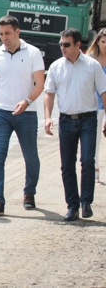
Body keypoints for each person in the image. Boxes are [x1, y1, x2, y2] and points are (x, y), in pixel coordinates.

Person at [0, 15, 45, 216]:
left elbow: (40, 84)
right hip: (1, 112)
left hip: (26, 113)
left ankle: (29, 193)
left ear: (18, 31)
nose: (4, 38)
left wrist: (26, 101)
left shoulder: (33, 53)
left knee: (31, 157)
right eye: (1, 34)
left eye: (8, 33)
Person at [45, 28, 106, 221]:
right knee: (67, 165)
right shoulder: (56, 67)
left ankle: (86, 201)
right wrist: (48, 117)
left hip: (88, 119)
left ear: (78, 45)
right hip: (65, 120)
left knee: (87, 160)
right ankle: (72, 205)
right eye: (61, 44)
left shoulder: (92, 66)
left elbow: (104, 92)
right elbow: (49, 93)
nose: (63, 48)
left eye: (67, 44)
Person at [86, 28, 106, 182]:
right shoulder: (90, 59)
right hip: (95, 104)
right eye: (103, 41)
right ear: (98, 42)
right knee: (95, 138)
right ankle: (95, 167)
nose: (105, 45)